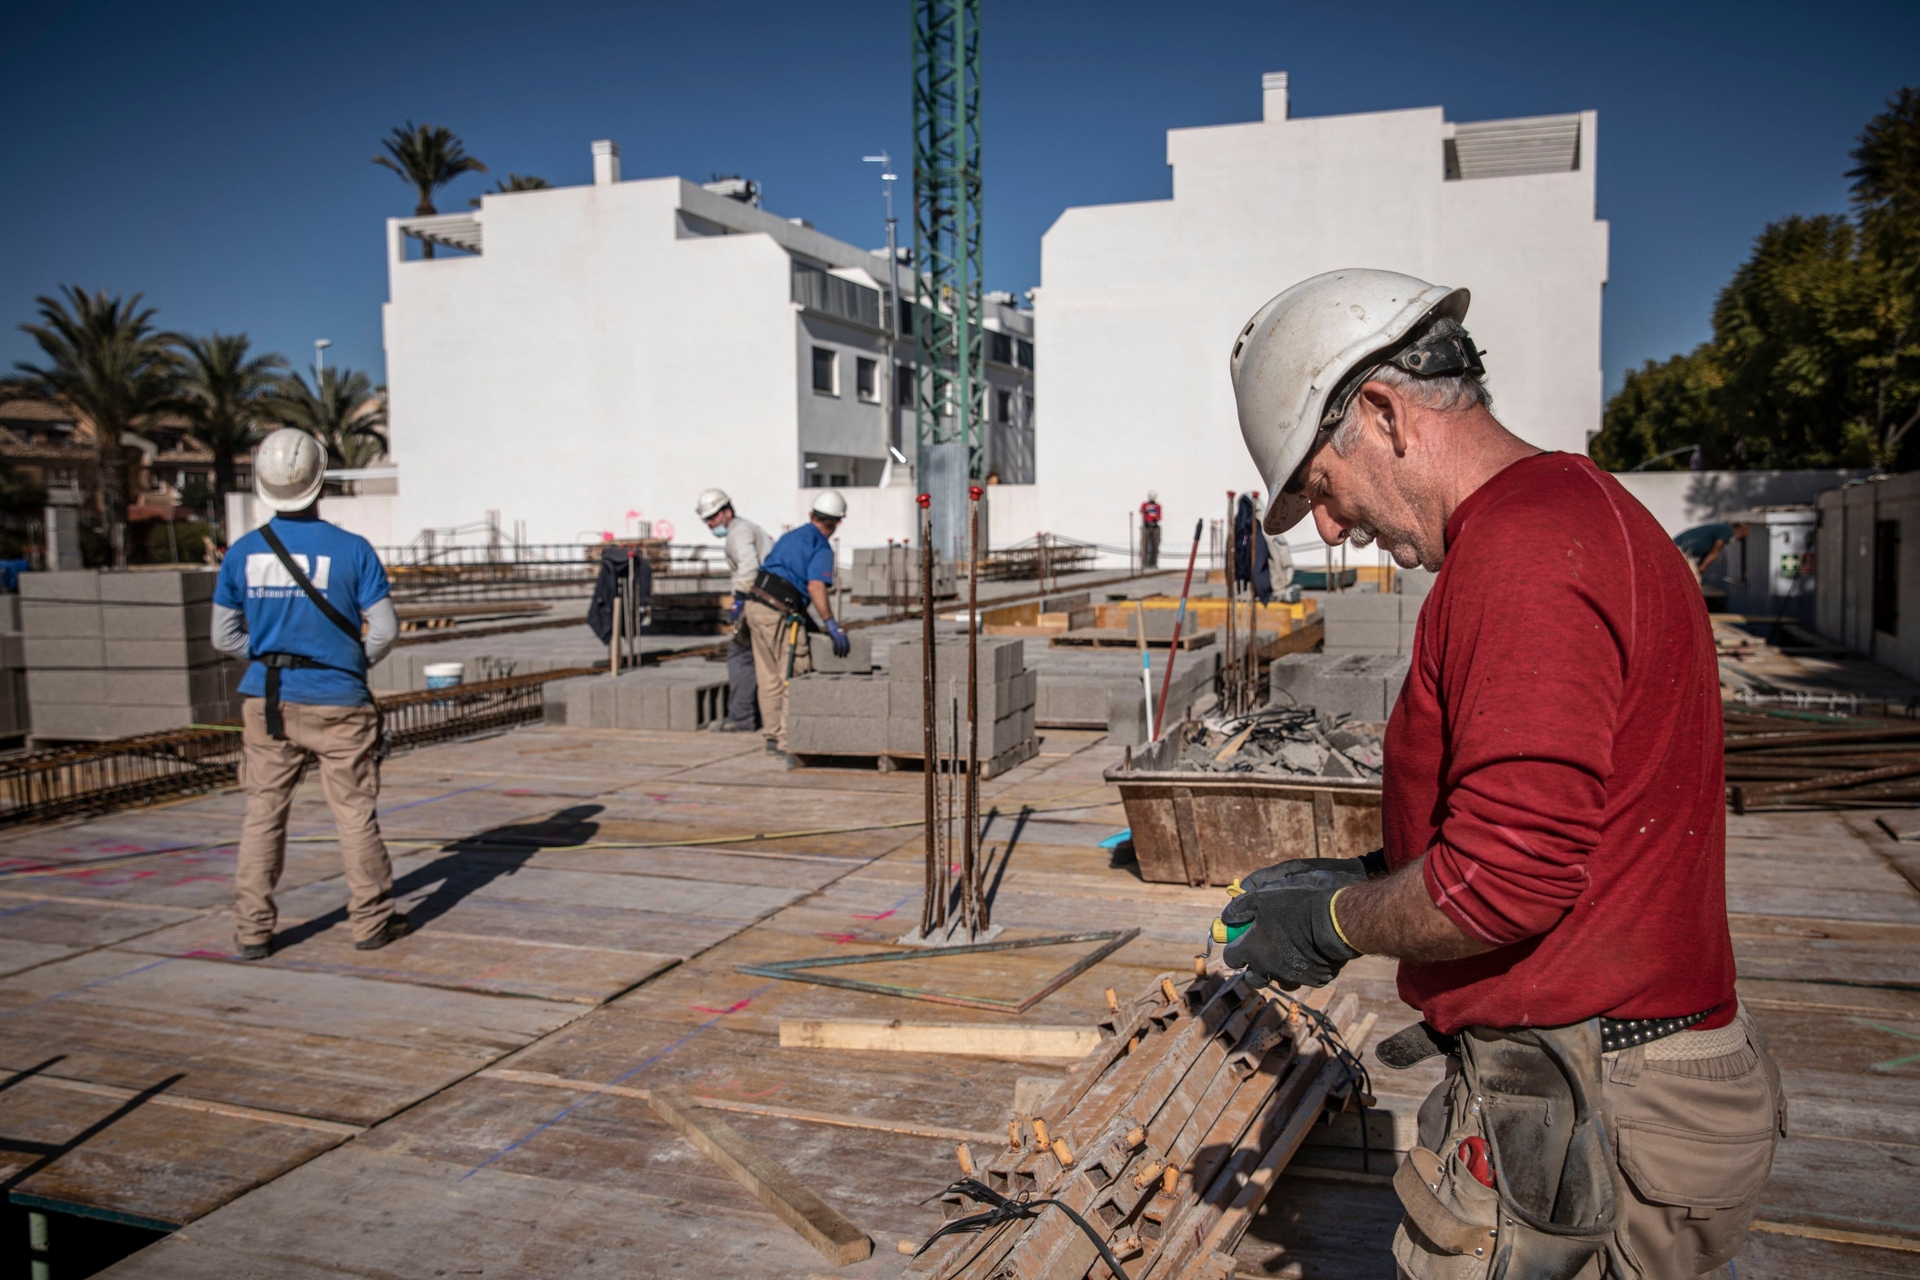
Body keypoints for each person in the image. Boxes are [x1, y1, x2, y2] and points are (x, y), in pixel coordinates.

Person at [1219, 269, 1781, 1280]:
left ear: (1383, 413)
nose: (1336, 530)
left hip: (1599, 1103)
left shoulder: (1524, 555)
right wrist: (1363, 871)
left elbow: (1504, 879)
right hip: (1597, 1085)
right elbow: (1549, 822)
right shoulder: (1571, 514)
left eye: (1322, 490)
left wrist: (1335, 921)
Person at [212, 429, 406, 959]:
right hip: (340, 702)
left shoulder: (243, 554)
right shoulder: (353, 551)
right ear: (320, 483)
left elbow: (223, 636)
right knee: (353, 812)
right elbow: (385, 630)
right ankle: (371, 922)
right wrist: (345, 661)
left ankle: (252, 932)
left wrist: (272, 652)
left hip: (267, 702)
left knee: (263, 814)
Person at [743, 491, 850, 757]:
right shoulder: (821, 546)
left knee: (768, 675)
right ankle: (787, 741)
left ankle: (771, 736)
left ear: (811, 515)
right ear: (837, 523)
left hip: (755, 605)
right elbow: (815, 587)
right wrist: (830, 623)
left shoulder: (790, 536)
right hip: (779, 612)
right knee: (792, 673)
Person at [697, 487, 772, 731]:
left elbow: (749, 567)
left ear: (727, 511)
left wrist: (739, 598)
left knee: (741, 657)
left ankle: (742, 719)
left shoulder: (738, 532)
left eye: (713, 517)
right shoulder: (748, 528)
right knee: (761, 658)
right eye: (707, 520)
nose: (710, 524)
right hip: (771, 600)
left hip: (757, 601)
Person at [1674, 520, 1747, 581]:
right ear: (1737, 531)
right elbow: (1713, 555)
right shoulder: (1727, 531)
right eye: (1740, 539)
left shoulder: (1721, 529)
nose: (1737, 541)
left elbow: (1706, 556)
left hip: (1679, 548)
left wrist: (1698, 569)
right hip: (1682, 551)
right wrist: (1699, 571)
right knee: (1694, 582)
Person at [1140, 491, 1162, 568]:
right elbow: (1142, 512)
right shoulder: (1145, 505)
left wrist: (1155, 521)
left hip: (1155, 526)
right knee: (1145, 545)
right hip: (1146, 526)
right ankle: (1144, 563)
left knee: (1155, 545)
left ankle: (1153, 563)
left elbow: (1159, 516)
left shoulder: (1158, 506)